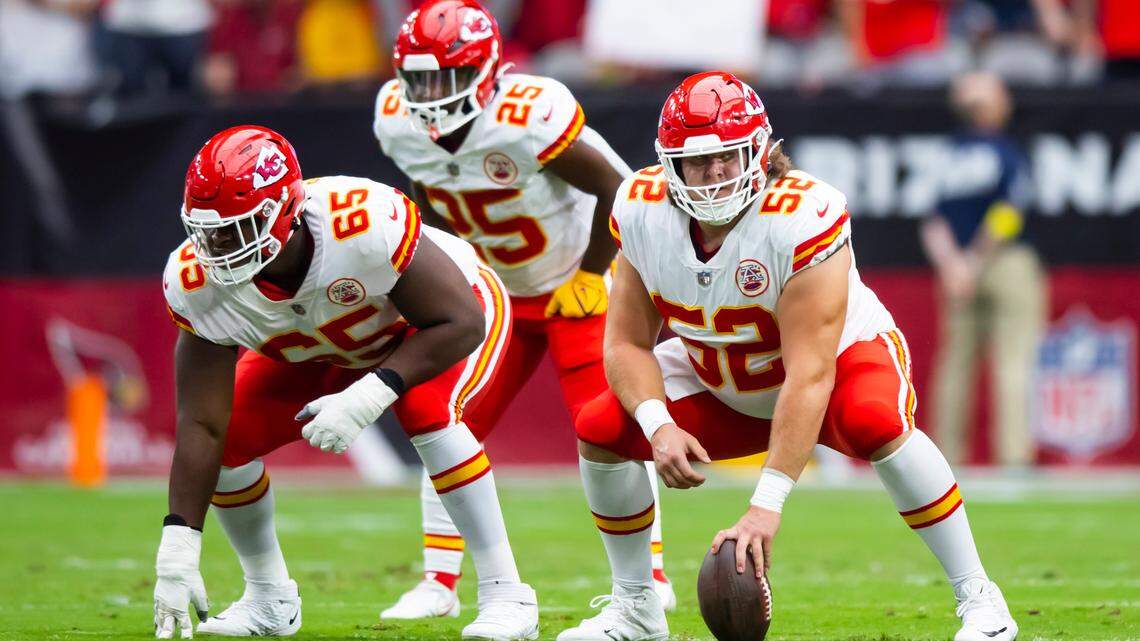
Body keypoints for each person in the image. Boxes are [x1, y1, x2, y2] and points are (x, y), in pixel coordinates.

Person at [559, 71, 1018, 641]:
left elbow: (811, 373)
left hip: (838, 362)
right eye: (698, 161)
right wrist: (658, 425)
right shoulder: (641, 209)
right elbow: (627, 343)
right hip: (722, 373)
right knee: (601, 427)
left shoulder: (802, 213)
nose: (715, 173)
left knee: (875, 420)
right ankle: (637, 606)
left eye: (727, 156)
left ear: (759, 150)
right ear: (669, 165)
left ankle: (980, 597)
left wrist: (766, 504)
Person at [152, 125, 538, 640]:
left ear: (285, 211)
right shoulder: (194, 281)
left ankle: (507, 594)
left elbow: (459, 322)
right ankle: (268, 600)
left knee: (428, 412)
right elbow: (202, 424)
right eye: (207, 231)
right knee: (228, 438)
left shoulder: (360, 222)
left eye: (237, 229)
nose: (218, 247)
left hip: (434, 320)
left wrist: (367, 396)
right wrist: (178, 546)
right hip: (324, 346)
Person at [372, 0, 674, 619]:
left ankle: (652, 576)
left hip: (575, 285)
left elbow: (618, 190)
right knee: (441, 419)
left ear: (487, 70)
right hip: (496, 293)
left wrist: (591, 274)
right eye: (418, 80)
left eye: (448, 77)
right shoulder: (398, 121)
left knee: (608, 429)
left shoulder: (526, 116)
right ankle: (439, 580)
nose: (430, 95)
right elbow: (430, 186)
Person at [921, 72, 1046, 468]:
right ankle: (1014, 457)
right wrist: (975, 260)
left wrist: (953, 266)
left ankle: (944, 460)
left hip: (957, 270)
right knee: (1014, 359)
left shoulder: (945, 156)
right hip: (1005, 262)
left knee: (955, 363)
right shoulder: (1005, 151)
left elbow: (932, 221)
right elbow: (1009, 213)